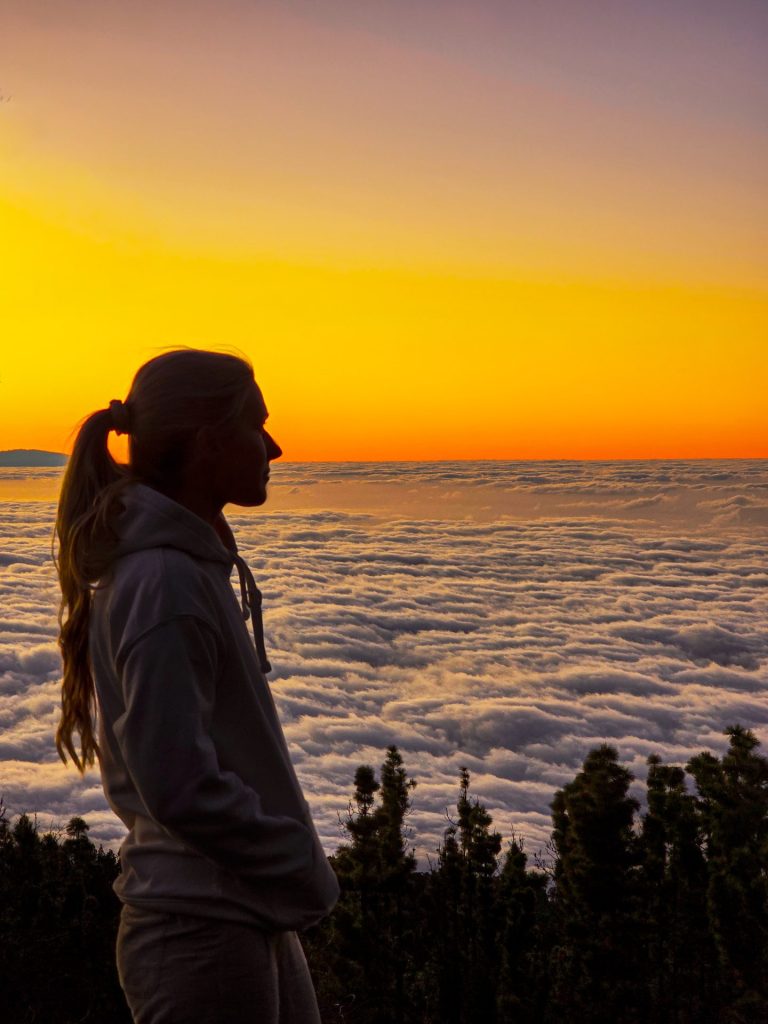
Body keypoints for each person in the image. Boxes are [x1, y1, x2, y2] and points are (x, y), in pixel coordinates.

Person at [54, 348, 339, 1023]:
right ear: (210, 442)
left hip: (234, 912)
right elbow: (179, 783)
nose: (275, 445)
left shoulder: (183, 570)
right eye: (256, 426)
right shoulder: (167, 585)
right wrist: (300, 863)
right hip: (200, 932)